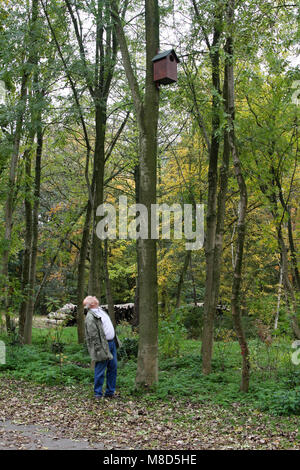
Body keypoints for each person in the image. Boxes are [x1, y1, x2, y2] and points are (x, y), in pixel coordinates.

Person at [83, 295, 118, 399]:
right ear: (92, 303)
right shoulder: (90, 317)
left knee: (113, 368)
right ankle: (97, 393)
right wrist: (99, 350)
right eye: (92, 297)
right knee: (100, 369)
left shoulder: (101, 311)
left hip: (111, 343)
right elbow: (93, 336)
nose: (95, 297)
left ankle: (110, 392)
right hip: (103, 346)